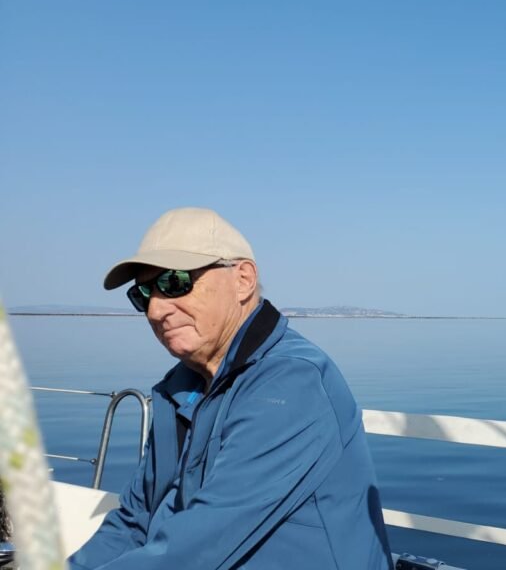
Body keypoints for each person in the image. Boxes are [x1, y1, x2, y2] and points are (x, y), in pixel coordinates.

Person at [70, 207, 393, 570]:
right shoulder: (177, 390)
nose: (156, 310)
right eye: (143, 294)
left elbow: (198, 547)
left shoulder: (292, 383)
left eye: (175, 282)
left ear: (243, 279)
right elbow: (134, 522)